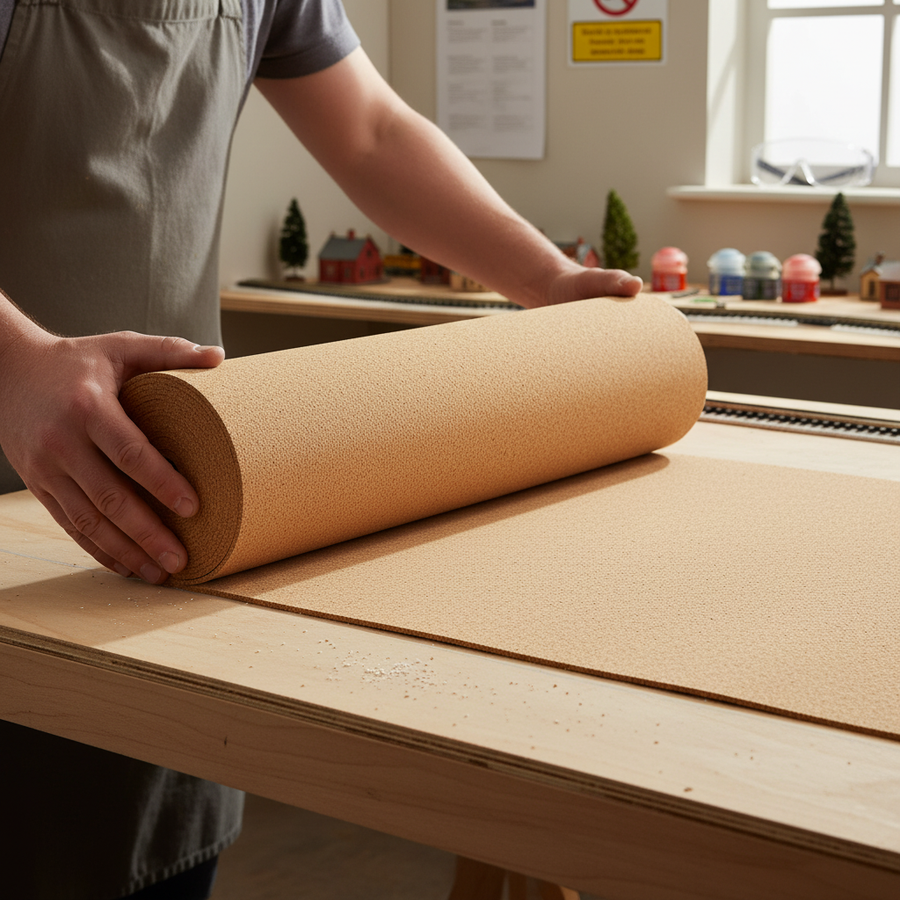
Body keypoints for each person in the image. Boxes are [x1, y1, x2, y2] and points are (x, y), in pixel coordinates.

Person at [0, 1, 641, 897]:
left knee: (137, 820)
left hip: (176, 480)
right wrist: (15, 366)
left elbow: (371, 134)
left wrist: (550, 280)